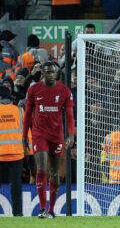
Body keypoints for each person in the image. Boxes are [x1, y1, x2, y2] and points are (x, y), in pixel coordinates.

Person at [22, 61, 75, 219]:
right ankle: (42, 209)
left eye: (53, 72)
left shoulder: (64, 91)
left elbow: (70, 115)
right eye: (48, 72)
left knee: (54, 173)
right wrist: (24, 135)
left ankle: (51, 210)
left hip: (56, 136)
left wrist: (71, 134)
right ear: (43, 73)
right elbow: (27, 115)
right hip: (39, 134)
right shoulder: (34, 90)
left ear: (57, 73)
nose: (51, 74)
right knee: (42, 168)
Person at [0, 86, 30, 216]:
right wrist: (30, 153)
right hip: (17, 154)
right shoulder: (19, 111)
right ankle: (18, 214)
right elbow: (27, 133)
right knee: (16, 187)